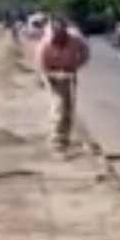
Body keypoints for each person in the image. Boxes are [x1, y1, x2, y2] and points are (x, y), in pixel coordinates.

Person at [34, 16, 90, 153]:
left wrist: (75, 66)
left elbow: (86, 54)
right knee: (58, 105)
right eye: (56, 33)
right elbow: (41, 67)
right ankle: (56, 140)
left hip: (69, 72)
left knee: (70, 106)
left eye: (62, 33)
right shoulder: (44, 45)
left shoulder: (75, 39)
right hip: (51, 73)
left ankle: (66, 137)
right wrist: (54, 75)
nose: (59, 37)